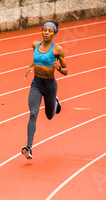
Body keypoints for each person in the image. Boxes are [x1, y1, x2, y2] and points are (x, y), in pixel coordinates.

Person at [21, 21, 67, 159]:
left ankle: (55, 103)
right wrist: (30, 66)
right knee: (33, 113)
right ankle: (29, 148)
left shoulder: (57, 50)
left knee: (49, 115)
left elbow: (65, 71)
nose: (46, 33)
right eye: (44, 30)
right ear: (41, 31)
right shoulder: (35, 45)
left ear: (54, 34)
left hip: (50, 85)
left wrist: (58, 68)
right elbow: (37, 59)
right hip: (36, 84)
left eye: (50, 31)